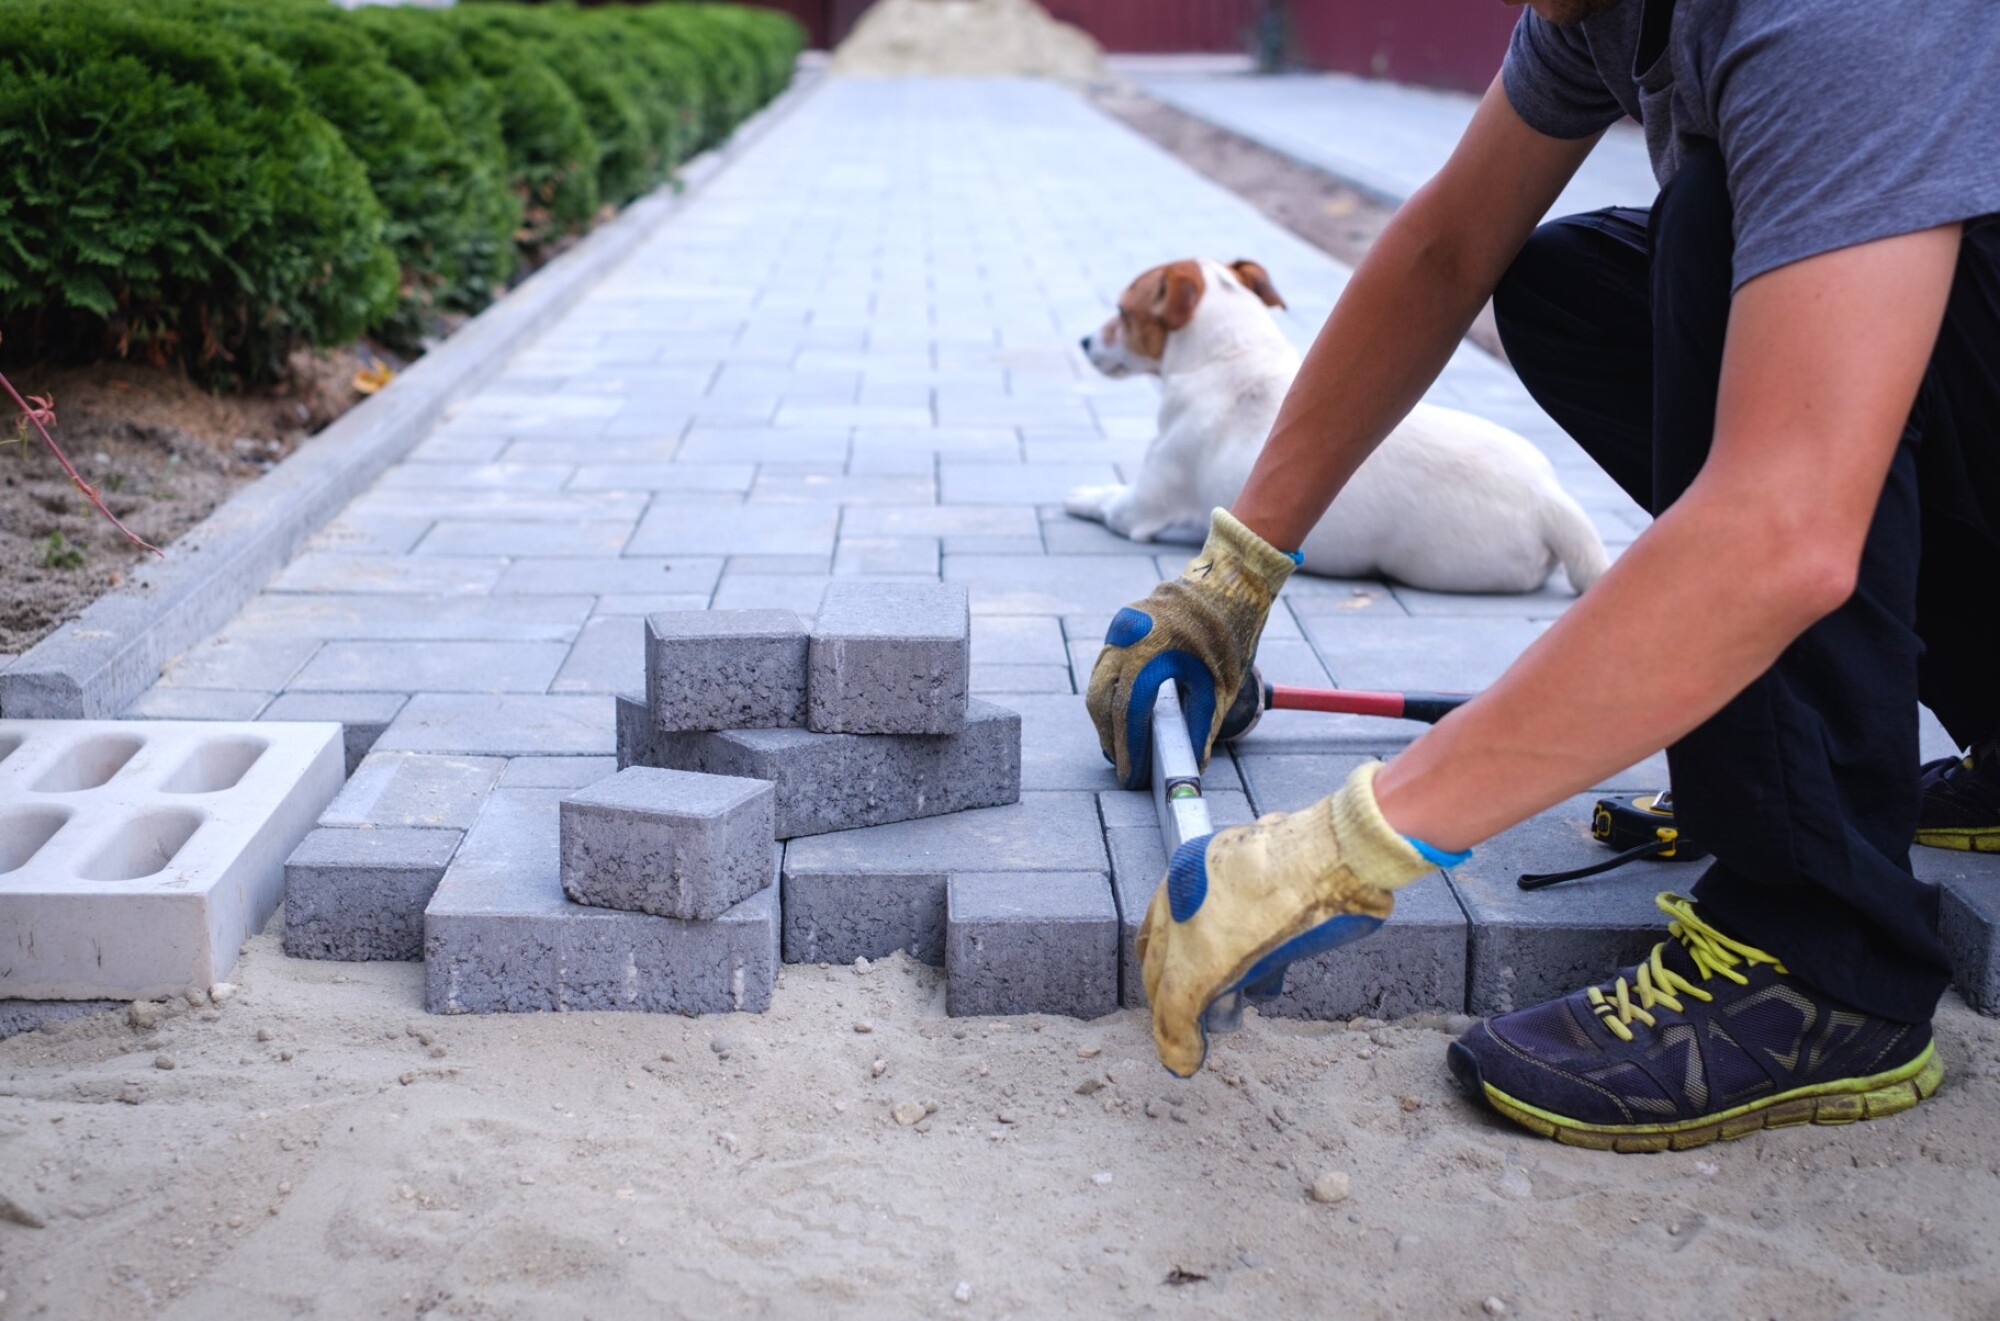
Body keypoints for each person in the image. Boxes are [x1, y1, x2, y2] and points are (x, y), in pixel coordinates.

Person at [1088, 0, 2000, 1151]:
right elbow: (1443, 249)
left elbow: (1784, 523)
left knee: (1716, 239)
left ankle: (1819, 959)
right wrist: (1236, 572)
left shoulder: (1839, 17)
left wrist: (1344, 847)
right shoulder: (1595, 12)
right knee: (1569, 287)